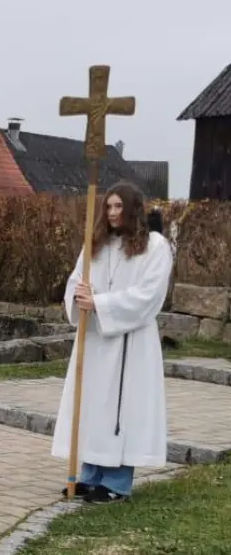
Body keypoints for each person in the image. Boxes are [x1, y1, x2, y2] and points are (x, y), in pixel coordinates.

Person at [52, 182, 172, 504]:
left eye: (119, 207)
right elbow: (77, 279)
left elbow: (148, 296)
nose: (113, 213)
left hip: (128, 341)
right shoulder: (97, 244)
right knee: (92, 407)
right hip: (93, 341)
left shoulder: (155, 247)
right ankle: (90, 477)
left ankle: (117, 483)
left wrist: (101, 304)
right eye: (108, 207)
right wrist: (78, 297)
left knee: (120, 409)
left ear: (133, 208)